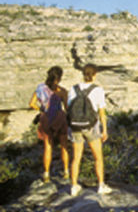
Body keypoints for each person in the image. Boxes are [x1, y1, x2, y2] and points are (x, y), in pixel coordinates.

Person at [68, 63, 112, 196]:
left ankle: (74, 186)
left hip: (75, 126)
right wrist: (105, 130)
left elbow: (69, 108)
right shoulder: (98, 90)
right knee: (98, 157)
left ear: (83, 74)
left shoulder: (73, 89)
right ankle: (101, 185)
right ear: (95, 74)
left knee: (76, 158)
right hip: (91, 127)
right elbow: (101, 113)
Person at [29, 66, 70, 183]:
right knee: (64, 145)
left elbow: (31, 103)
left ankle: (46, 174)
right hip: (60, 118)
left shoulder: (40, 88)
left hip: (46, 118)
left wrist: (41, 109)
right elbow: (67, 108)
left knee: (48, 146)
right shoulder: (62, 91)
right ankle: (66, 172)